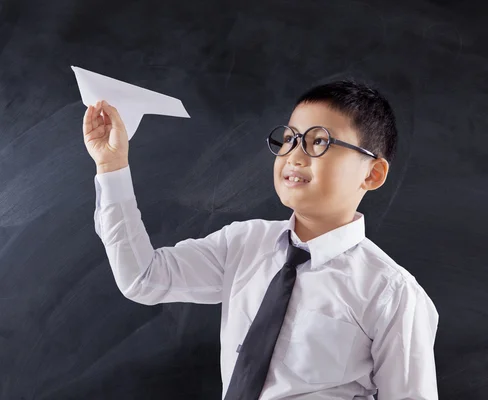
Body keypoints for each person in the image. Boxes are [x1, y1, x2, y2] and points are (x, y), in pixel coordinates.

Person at [83, 80, 439, 399]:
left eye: (320, 141)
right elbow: (143, 278)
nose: (295, 156)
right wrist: (111, 166)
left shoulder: (391, 293)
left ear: (372, 173)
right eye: (289, 138)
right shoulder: (244, 243)